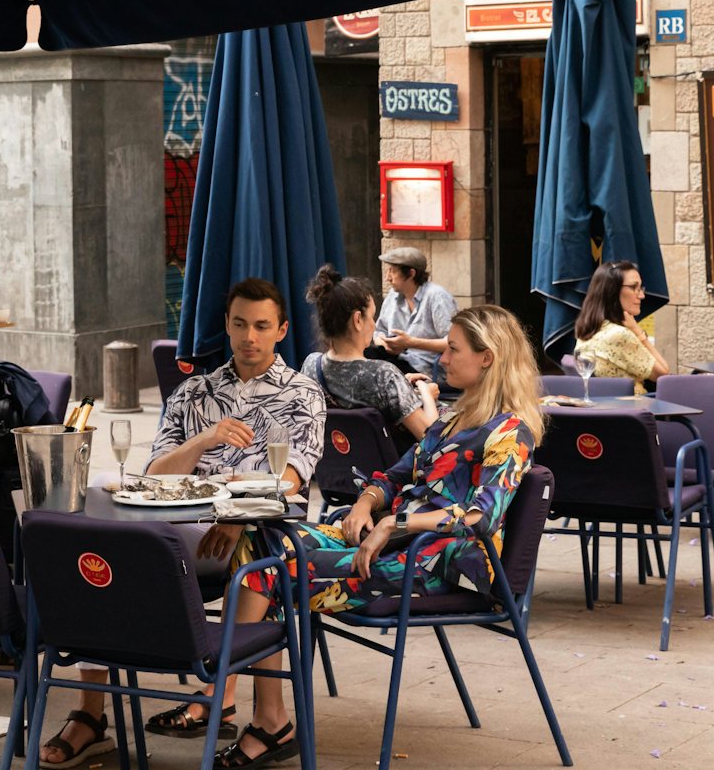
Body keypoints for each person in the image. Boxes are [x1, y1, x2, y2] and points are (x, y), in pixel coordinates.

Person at [196, 304, 544, 768]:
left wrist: (393, 524)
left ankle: (252, 710)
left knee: (277, 566)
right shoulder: (451, 418)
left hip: (425, 564)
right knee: (261, 538)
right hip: (387, 545)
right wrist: (365, 504)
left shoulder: (510, 431)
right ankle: (263, 714)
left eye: (452, 349)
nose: (441, 357)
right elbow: (395, 474)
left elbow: (479, 516)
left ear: (488, 358)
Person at [39, 278, 326, 767]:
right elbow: (153, 474)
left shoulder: (304, 395)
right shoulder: (196, 392)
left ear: (281, 330)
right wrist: (205, 439)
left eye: (261, 326)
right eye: (239, 324)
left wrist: (236, 514)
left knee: (259, 546)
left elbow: (292, 480)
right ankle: (90, 714)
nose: (249, 337)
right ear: (227, 326)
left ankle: (219, 691)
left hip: (249, 534)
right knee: (95, 548)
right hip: (175, 534)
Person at [300, 263, 434, 440]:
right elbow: (431, 440)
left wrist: (402, 386)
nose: (375, 324)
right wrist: (426, 394)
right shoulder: (384, 376)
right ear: (357, 320)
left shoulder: (311, 365)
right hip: (384, 467)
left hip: (329, 465)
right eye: (371, 316)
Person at [571, 260, 670, 394]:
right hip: (635, 410)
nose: (641, 295)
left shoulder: (590, 329)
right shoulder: (619, 335)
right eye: (633, 287)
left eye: (641, 288)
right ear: (612, 291)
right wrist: (638, 332)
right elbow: (664, 375)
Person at [372, 246, 457, 381]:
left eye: (392, 272)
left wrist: (410, 343)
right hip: (396, 359)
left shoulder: (437, 296)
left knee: (382, 371)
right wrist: (384, 343)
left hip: (425, 367)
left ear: (411, 274)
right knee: (365, 357)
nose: (388, 277)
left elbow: (454, 342)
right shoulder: (393, 296)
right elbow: (378, 331)